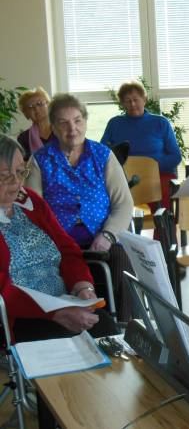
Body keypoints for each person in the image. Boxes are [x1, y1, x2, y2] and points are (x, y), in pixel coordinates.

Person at [27, 93, 134, 320]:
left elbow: (124, 204)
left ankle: (123, 327)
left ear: (85, 121)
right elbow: (32, 210)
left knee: (122, 262)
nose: (72, 129)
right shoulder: (40, 160)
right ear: (53, 126)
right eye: (63, 123)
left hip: (102, 238)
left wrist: (108, 235)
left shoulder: (103, 156)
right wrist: (53, 241)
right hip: (58, 244)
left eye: (77, 120)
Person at [0, 134, 117, 342]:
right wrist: (56, 313)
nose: (16, 182)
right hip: (18, 316)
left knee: (104, 326)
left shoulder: (30, 201)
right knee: (76, 339)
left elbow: (68, 250)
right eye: (5, 176)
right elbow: (4, 291)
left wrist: (83, 287)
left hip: (64, 302)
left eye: (20, 172)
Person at [101, 80, 182, 210]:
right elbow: (102, 153)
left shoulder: (161, 123)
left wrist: (149, 167)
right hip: (124, 178)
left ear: (144, 99)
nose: (132, 104)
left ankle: (162, 223)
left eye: (135, 99)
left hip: (158, 176)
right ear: (122, 104)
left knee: (162, 204)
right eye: (127, 101)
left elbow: (176, 156)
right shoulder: (114, 124)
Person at [17, 86, 54, 159]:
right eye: (30, 107)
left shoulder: (62, 130)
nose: (36, 109)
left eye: (39, 104)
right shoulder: (23, 138)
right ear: (26, 114)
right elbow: (23, 163)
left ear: (49, 105)